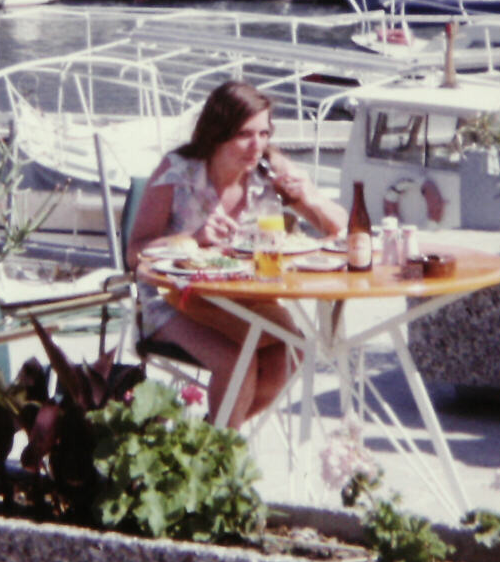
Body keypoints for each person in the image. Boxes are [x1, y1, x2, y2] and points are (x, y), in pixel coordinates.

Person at [128, 82, 347, 428]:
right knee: (237, 362)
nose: (257, 145)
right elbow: (134, 253)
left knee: (293, 351)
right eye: (245, 134)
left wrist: (311, 197)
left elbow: (346, 231)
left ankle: (211, 443)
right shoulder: (178, 172)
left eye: (264, 133)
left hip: (245, 298)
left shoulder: (268, 169)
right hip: (174, 299)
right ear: (218, 132)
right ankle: (216, 455)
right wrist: (193, 238)